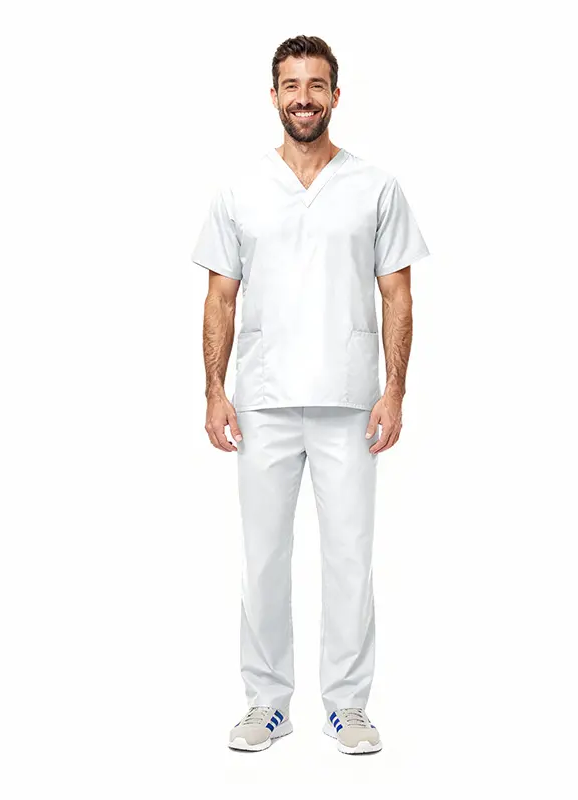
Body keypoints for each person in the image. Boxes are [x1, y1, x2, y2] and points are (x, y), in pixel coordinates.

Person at [190, 35, 430, 755]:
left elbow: (398, 294)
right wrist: (214, 390)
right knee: (263, 558)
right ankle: (267, 703)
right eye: (291, 85)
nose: (303, 97)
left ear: (335, 95)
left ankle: (347, 706)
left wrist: (395, 391)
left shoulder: (375, 187)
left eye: (316, 85)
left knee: (350, 558)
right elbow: (220, 298)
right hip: (261, 400)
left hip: (350, 401)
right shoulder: (240, 189)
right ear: (273, 96)